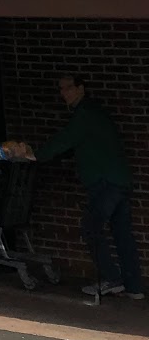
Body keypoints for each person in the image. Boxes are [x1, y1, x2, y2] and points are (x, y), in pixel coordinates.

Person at [17, 71, 143, 299]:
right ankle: (134, 286)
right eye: (61, 89)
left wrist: (36, 154)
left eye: (67, 88)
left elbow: (65, 139)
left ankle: (112, 279)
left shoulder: (84, 114)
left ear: (80, 88)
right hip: (120, 180)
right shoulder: (94, 113)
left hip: (104, 182)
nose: (63, 93)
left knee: (91, 229)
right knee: (122, 233)